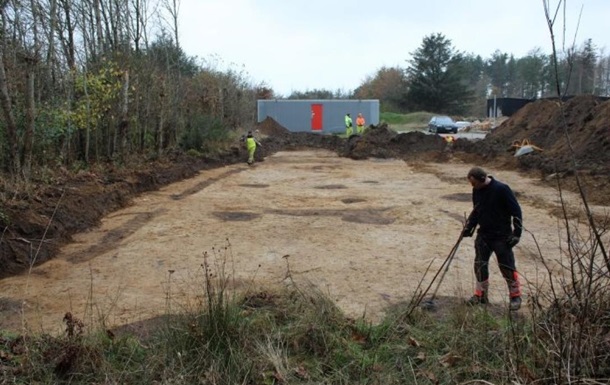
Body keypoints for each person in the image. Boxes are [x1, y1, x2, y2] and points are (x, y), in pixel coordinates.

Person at [462, 166, 523, 311]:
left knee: (507, 266)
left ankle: (515, 296)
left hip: (502, 236)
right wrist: (469, 227)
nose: (473, 186)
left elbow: (516, 211)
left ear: (482, 179)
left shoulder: (502, 189)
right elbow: (477, 210)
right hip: (484, 235)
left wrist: (517, 234)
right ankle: (481, 295)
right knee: (479, 265)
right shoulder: (476, 190)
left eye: (474, 183)